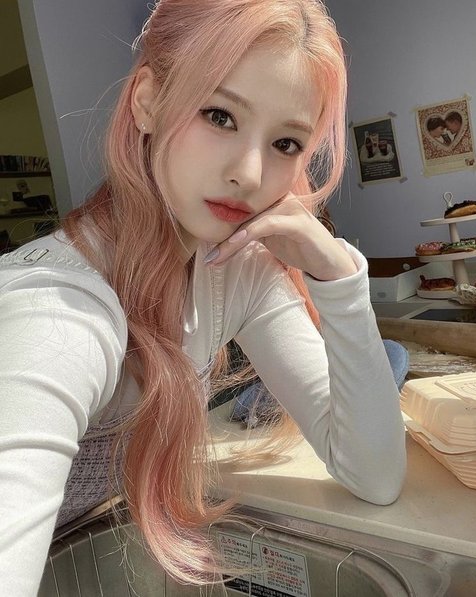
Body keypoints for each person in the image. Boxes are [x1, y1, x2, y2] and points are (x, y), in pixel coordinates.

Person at [0, 0, 407, 593]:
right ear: (147, 101)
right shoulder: (59, 311)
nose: (249, 173)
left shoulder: (236, 272)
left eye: (286, 143)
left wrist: (338, 277)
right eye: (220, 115)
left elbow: (374, 474)